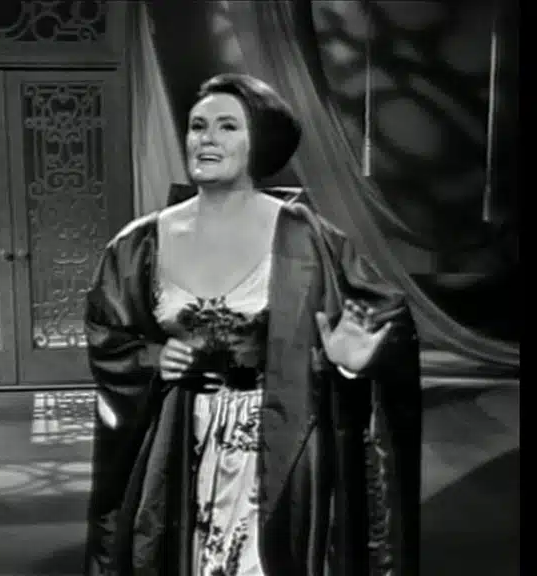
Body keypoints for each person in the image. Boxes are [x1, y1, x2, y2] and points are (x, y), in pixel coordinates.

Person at [83, 73, 422, 576]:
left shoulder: (306, 236)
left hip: (277, 442)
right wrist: (151, 357)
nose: (207, 139)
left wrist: (350, 364)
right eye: (198, 126)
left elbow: (387, 318)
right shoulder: (139, 243)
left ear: (258, 142)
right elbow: (107, 334)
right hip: (179, 445)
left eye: (227, 126)